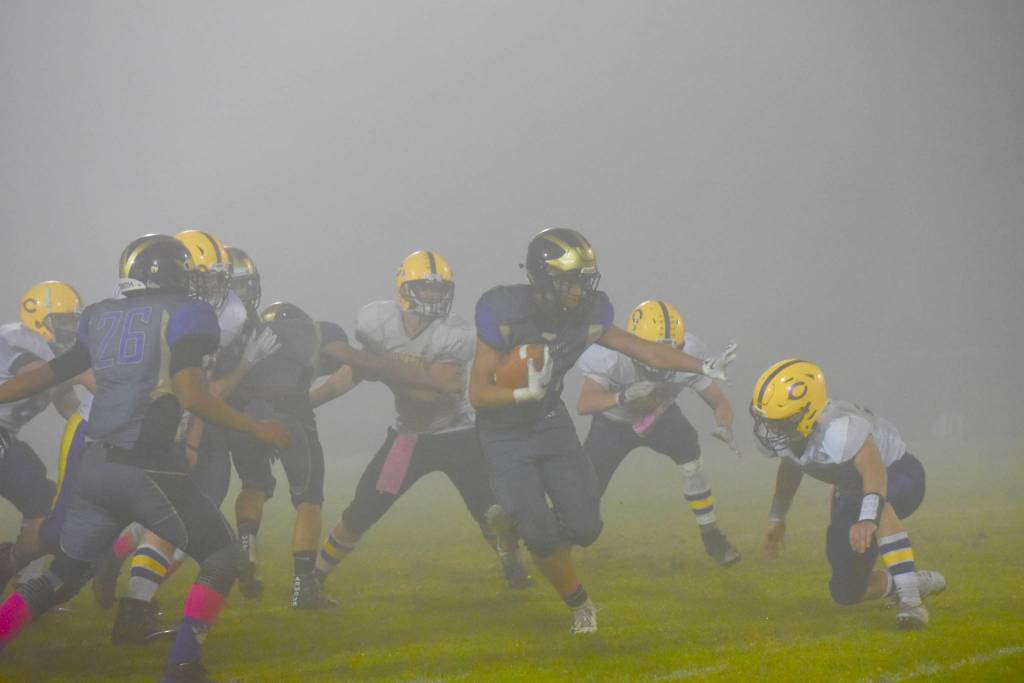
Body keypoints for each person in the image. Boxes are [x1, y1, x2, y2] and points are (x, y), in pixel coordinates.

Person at [0, 234, 290, 682]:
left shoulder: (100, 314)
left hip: (96, 465)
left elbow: (47, 375)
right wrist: (257, 428)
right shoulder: (187, 313)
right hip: (148, 464)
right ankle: (183, 667)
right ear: (175, 274)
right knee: (225, 553)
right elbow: (193, 395)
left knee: (63, 575)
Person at [468, 228, 736, 634]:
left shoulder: (588, 313)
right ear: (543, 278)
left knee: (586, 527)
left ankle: (514, 520)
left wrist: (701, 366)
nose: (580, 290)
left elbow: (644, 349)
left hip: (550, 421)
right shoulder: (503, 311)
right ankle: (579, 603)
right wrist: (521, 393)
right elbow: (477, 394)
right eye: (571, 280)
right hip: (504, 431)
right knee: (540, 532)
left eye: (583, 280)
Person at [751, 359, 945, 629]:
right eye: (768, 421)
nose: (771, 430)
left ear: (806, 413)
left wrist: (867, 517)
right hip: (852, 489)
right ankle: (910, 583)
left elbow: (874, 471)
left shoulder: (838, 427)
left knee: (880, 505)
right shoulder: (790, 435)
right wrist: (777, 517)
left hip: (898, 473)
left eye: (779, 422)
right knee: (847, 592)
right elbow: (792, 465)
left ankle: (912, 603)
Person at [576, 299, 740, 566]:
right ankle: (552, 541)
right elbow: (585, 403)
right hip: (612, 424)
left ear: (680, 346)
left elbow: (718, 400)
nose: (661, 360)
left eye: (670, 352)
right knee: (584, 499)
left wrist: (725, 425)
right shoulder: (610, 356)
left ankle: (711, 535)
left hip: (660, 417)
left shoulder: (690, 350)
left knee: (688, 446)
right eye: (652, 351)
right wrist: (622, 397)